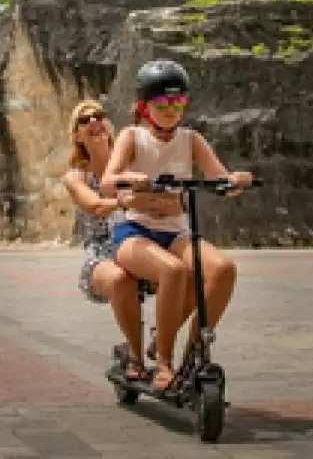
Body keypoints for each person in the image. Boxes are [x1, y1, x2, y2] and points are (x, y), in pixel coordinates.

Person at [101, 60, 252, 393]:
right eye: (163, 104)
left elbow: (218, 175)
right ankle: (163, 364)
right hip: (134, 232)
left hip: (176, 231)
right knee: (174, 272)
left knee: (222, 269)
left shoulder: (191, 139)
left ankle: (191, 355)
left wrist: (234, 180)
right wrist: (131, 178)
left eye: (178, 103)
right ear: (144, 106)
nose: (172, 110)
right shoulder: (132, 136)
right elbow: (108, 181)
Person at [62, 99, 186, 380]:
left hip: (140, 239)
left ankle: (162, 339)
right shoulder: (76, 176)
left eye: (100, 115)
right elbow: (94, 205)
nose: (94, 120)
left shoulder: (132, 165)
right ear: (77, 136)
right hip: (103, 252)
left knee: (188, 271)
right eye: (85, 119)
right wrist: (128, 201)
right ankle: (135, 354)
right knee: (120, 279)